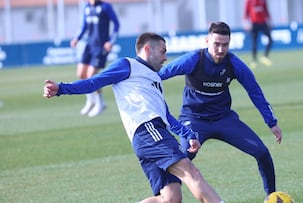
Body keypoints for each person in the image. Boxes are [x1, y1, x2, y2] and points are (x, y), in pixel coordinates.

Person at [43, 32, 224, 203]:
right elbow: (94, 82)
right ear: (147, 49)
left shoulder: (154, 78)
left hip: (151, 134)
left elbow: (165, 115)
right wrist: (61, 88)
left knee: (171, 198)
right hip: (148, 131)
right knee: (190, 172)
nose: (165, 58)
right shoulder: (127, 65)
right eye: (162, 52)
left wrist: (188, 133)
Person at [158, 22, 282, 198]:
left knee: (262, 152)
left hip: (224, 120)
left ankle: (273, 197)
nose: (220, 49)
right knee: (181, 159)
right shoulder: (193, 60)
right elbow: (160, 74)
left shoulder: (234, 64)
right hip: (194, 121)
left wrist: (271, 122)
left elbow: (254, 91)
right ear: (207, 41)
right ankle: (166, 197)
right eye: (216, 44)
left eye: (225, 45)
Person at [70, 0, 120, 117]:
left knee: (91, 75)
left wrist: (111, 41)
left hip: (100, 46)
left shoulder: (105, 7)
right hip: (89, 45)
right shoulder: (86, 7)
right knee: (81, 74)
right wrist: (77, 38)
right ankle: (90, 100)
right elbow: (84, 26)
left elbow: (116, 24)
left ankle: (100, 103)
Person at [244, 0, 272, 69]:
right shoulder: (249, 1)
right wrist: (246, 23)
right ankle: (254, 61)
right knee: (254, 42)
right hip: (254, 23)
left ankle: (265, 57)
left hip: (263, 22)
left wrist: (270, 21)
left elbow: (266, 10)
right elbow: (246, 12)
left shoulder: (263, 1)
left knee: (270, 39)